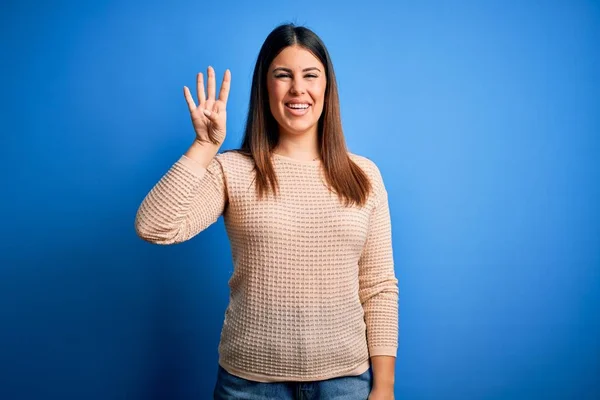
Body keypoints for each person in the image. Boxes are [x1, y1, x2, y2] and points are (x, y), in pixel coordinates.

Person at [135, 23, 398, 400]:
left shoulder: (363, 175)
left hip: (346, 385)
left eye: (310, 75)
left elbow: (379, 287)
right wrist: (204, 147)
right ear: (265, 87)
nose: (297, 89)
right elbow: (154, 226)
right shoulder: (233, 170)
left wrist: (384, 387)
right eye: (282, 75)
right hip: (250, 387)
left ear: (327, 87)